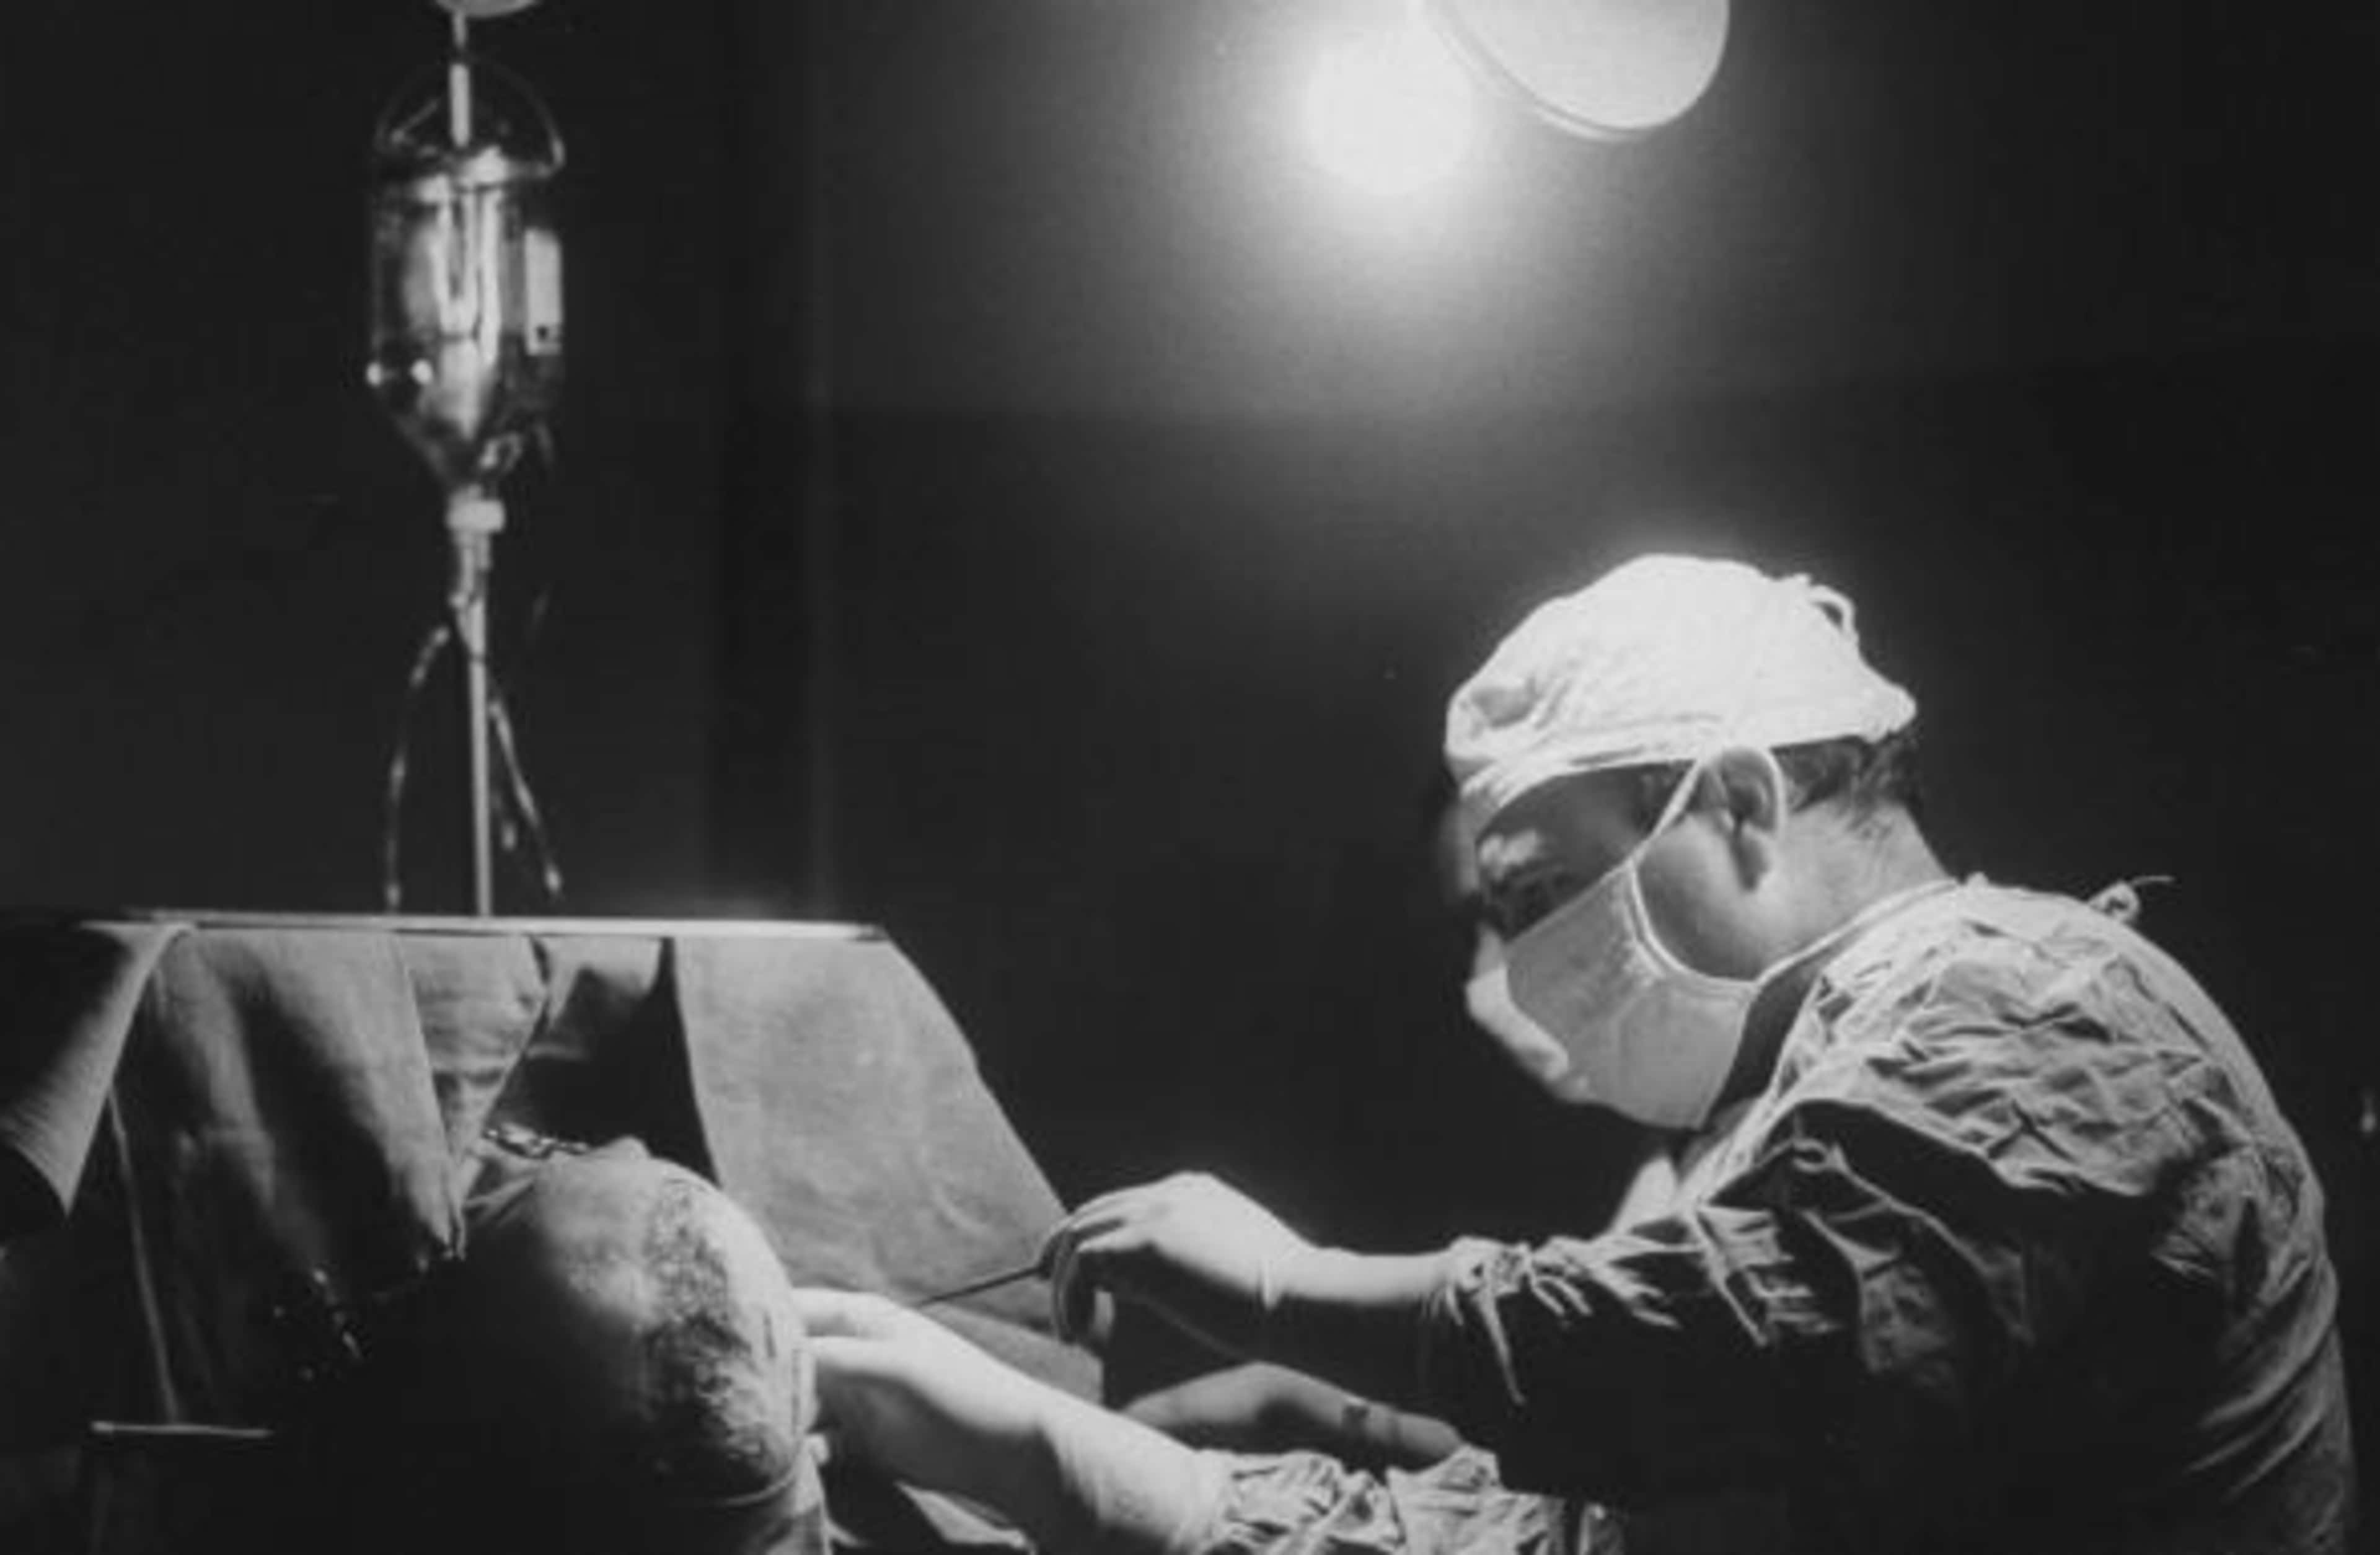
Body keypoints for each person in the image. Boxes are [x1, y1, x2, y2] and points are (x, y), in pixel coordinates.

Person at [796, 553, 2358, 1554]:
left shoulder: (2045, 1018)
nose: (1527, 963)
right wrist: (1063, 1461)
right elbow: (1571, 1536)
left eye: (1541, 894)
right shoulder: (1792, 1113)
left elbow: (1685, 1356)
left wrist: (1286, 1288)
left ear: (1738, 803)